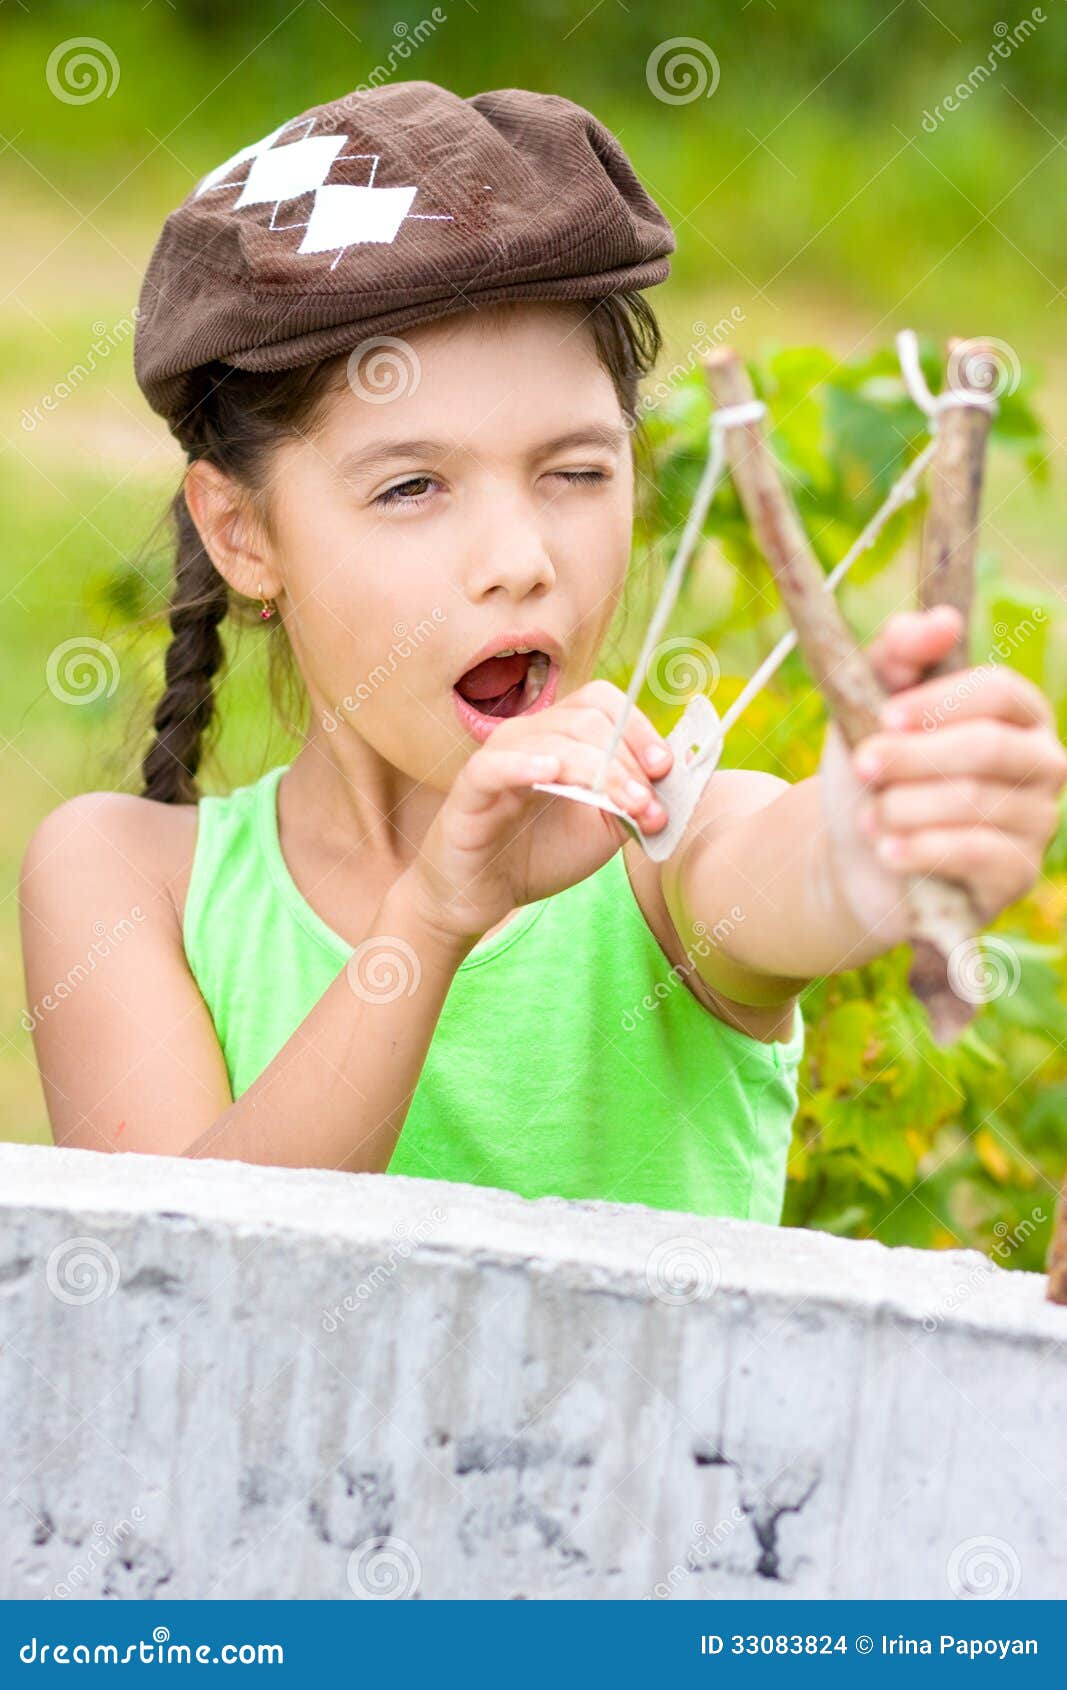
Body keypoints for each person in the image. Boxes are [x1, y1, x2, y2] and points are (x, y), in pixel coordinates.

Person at [19, 82, 1067, 1223]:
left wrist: (881, 828)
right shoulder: (125, 877)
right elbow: (186, 1273)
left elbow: (799, 865)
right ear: (243, 531)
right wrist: (429, 920)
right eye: (411, 485)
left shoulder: (664, 851)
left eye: (574, 472)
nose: (519, 558)